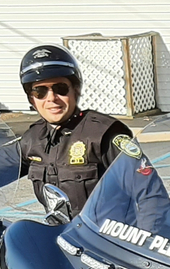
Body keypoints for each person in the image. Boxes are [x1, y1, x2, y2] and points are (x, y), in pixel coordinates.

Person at [16, 44, 135, 214]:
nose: (51, 98)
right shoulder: (32, 139)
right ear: (31, 98)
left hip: (105, 229)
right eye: (39, 92)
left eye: (60, 89)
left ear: (75, 90)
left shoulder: (103, 134)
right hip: (61, 229)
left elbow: (148, 193)